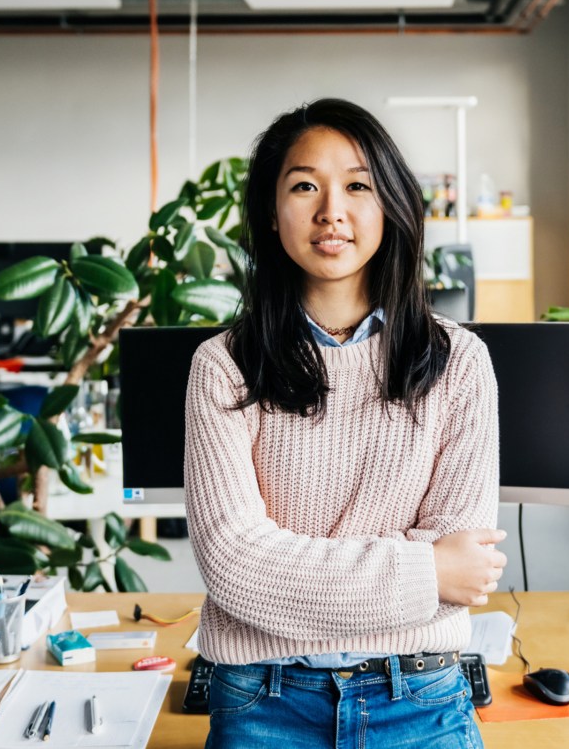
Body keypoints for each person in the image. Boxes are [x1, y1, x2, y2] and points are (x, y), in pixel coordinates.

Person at [184, 98, 505, 748]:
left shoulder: (459, 362)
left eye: (358, 185)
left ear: (391, 203)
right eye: (305, 185)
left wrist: (298, 575)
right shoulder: (223, 366)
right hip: (262, 699)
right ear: (273, 214)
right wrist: (424, 570)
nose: (332, 210)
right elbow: (234, 566)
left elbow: (464, 574)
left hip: (419, 699)